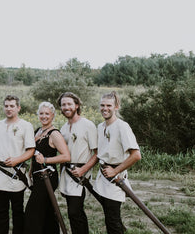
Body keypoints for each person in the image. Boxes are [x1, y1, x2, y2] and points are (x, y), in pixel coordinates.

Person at [93, 91, 141, 234]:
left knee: (112, 219)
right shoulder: (100, 127)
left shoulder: (122, 126)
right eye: (102, 105)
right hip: (103, 177)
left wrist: (115, 171)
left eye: (108, 105)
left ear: (116, 107)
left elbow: (136, 155)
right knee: (110, 216)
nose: (105, 108)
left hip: (115, 177)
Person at [0, 95, 35, 234]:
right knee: (1, 212)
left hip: (16, 175)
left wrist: (17, 160)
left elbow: (31, 150)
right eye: (6, 106)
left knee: (17, 212)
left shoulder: (26, 126)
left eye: (12, 106)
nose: (9, 109)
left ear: (18, 108)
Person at [24, 101, 71, 234]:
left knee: (32, 213)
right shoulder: (37, 131)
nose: (44, 116)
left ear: (53, 115)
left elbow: (66, 156)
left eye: (47, 114)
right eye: (41, 113)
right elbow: (34, 153)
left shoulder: (54, 134)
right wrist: (30, 170)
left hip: (48, 178)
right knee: (47, 212)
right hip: (37, 177)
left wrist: (46, 160)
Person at [57, 92, 98, 234]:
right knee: (72, 213)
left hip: (80, 174)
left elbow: (97, 153)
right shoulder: (63, 128)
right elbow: (63, 155)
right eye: (63, 104)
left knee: (76, 212)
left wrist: (83, 170)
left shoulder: (87, 125)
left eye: (69, 104)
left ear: (77, 105)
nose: (66, 107)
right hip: (66, 175)